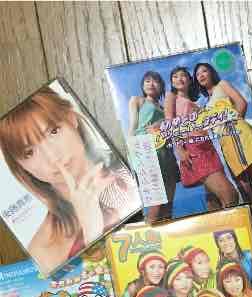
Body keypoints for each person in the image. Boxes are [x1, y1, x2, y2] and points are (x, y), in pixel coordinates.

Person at [0, 85, 140, 275]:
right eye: (29, 152)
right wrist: (91, 229)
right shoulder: (43, 248)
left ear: (71, 118)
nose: (52, 157)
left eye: (53, 131)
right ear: (20, 166)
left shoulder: (130, 174)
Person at [164, 66, 238, 210]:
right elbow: (169, 123)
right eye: (175, 76)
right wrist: (179, 149)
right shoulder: (171, 96)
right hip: (194, 149)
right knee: (230, 195)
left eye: (183, 75)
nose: (179, 79)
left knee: (214, 201)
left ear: (190, 80)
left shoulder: (195, 102)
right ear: (172, 82)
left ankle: (219, 224)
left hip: (208, 148)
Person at [194, 61, 252, 203]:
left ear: (211, 73)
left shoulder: (222, 85)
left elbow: (242, 103)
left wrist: (234, 126)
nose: (201, 75)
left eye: (204, 71)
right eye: (197, 74)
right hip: (226, 143)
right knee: (245, 188)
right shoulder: (205, 104)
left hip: (238, 134)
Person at [126, 70, 179, 221]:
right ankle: (150, 229)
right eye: (147, 81)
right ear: (142, 85)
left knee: (168, 203)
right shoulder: (138, 100)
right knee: (156, 201)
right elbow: (133, 127)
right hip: (146, 150)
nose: (151, 84)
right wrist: (131, 152)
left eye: (155, 81)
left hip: (165, 153)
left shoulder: (164, 108)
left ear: (161, 86)